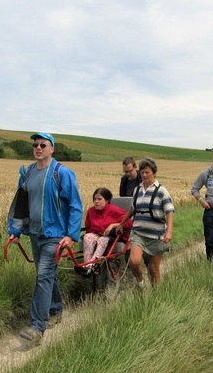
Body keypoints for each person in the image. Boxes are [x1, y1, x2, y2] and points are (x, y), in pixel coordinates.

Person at [7, 132, 83, 347]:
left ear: (52, 149)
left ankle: (37, 327)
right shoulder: (28, 172)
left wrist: (71, 235)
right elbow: (21, 203)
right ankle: (56, 309)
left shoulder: (62, 173)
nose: (38, 148)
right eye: (35, 145)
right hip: (35, 233)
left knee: (43, 277)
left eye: (43, 144)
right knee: (47, 275)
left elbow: (75, 205)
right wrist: (16, 229)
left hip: (55, 236)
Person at [116, 157, 174, 287]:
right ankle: (141, 284)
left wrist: (169, 231)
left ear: (154, 172)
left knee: (154, 270)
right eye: (142, 172)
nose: (144, 175)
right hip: (138, 233)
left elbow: (169, 211)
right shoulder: (137, 190)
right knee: (134, 261)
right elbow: (132, 209)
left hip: (156, 235)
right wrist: (121, 223)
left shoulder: (161, 191)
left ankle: (155, 295)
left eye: (147, 172)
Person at [82, 187, 132, 272]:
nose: (96, 201)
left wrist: (113, 225)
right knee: (87, 236)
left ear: (107, 200)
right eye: (95, 199)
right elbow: (88, 227)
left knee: (102, 239)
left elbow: (129, 223)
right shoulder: (91, 211)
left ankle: (92, 264)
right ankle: (87, 264)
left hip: (112, 236)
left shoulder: (114, 210)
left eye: (99, 199)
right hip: (97, 234)